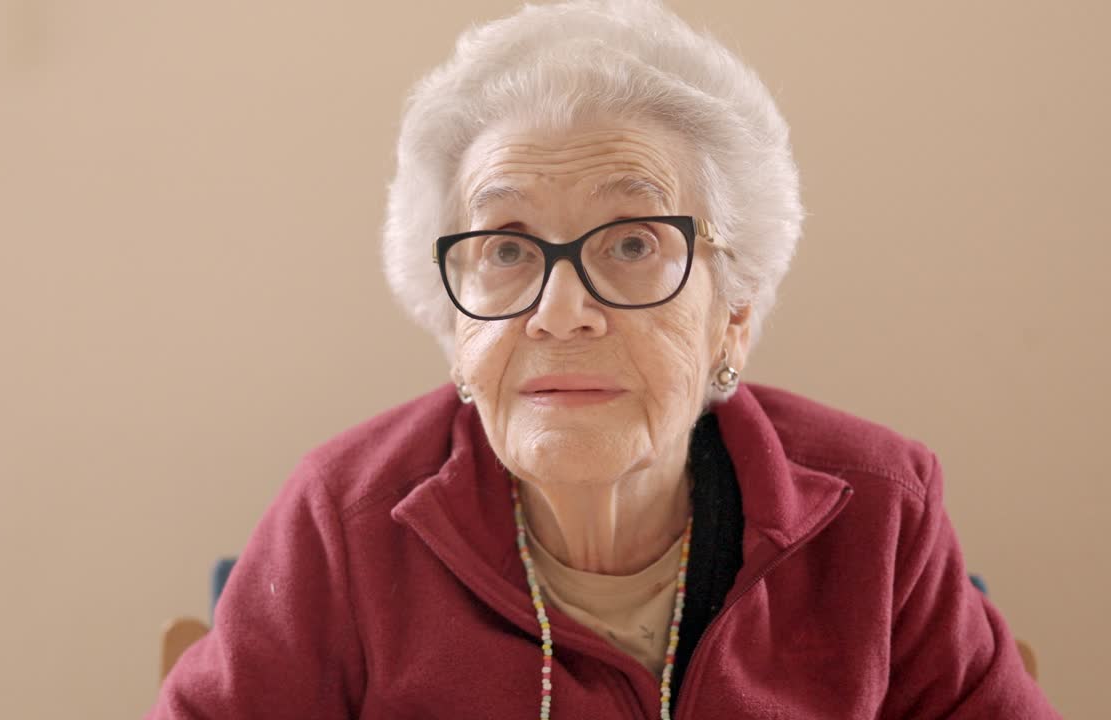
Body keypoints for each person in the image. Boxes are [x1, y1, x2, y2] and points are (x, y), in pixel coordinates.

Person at [148, 1, 1060, 717]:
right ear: (455, 325)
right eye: (507, 248)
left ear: (734, 314)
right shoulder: (342, 521)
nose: (560, 312)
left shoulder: (880, 510)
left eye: (631, 244)